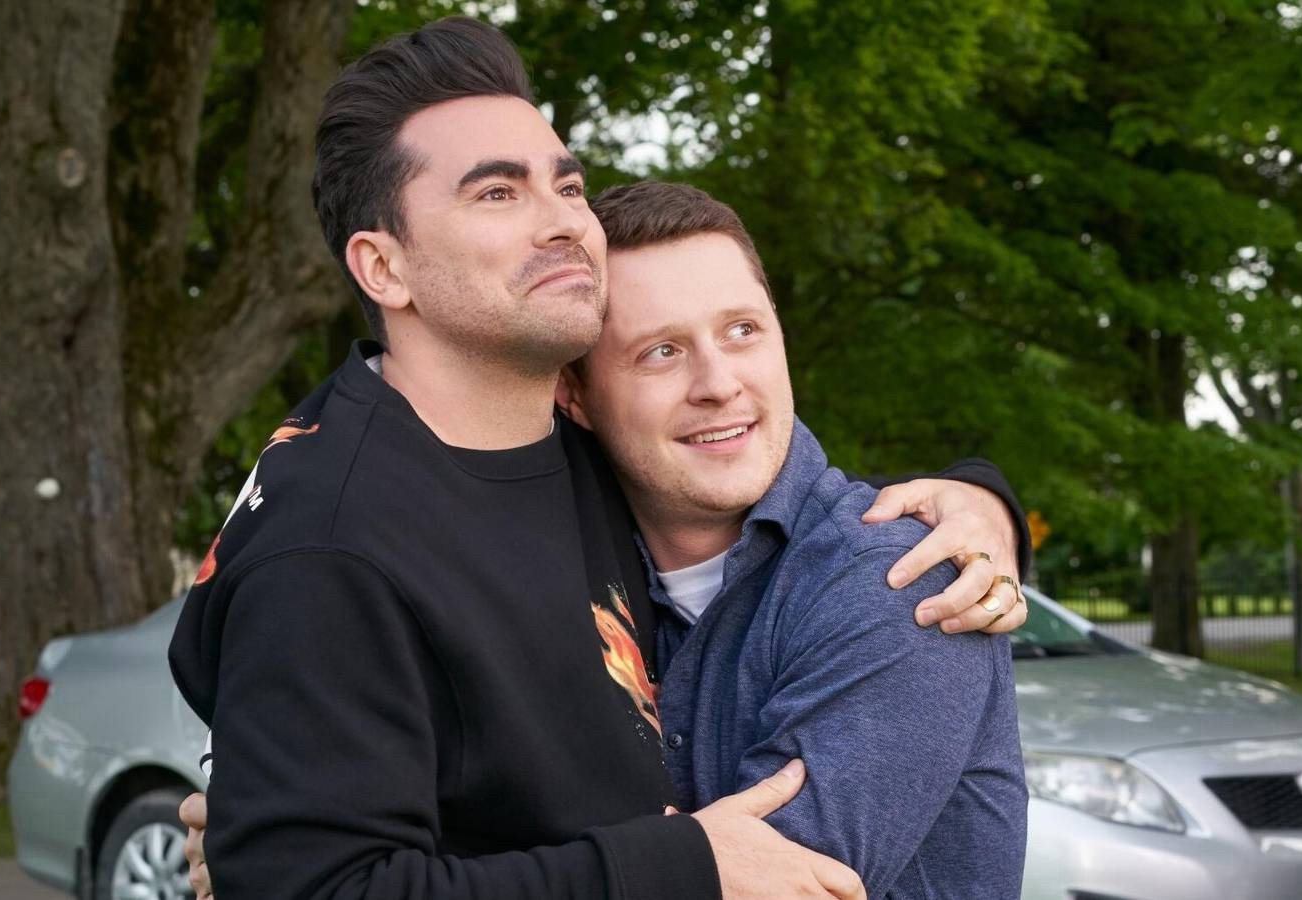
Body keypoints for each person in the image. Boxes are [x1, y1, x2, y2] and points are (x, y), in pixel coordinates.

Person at [169, 15, 1030, 900]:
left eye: (568, 185)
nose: (562, 222)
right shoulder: (332, 543)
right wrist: (673, 867)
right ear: (383, 269)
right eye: (497, 193)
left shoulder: (582, 466)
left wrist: (978, 501)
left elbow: (754, 493)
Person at [555, 180, 1027, 898]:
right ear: (574, 395)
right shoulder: (569, 576)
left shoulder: (900, 580)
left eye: (742, 330)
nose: (719, 384)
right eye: (661, 351)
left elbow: (789, 885)